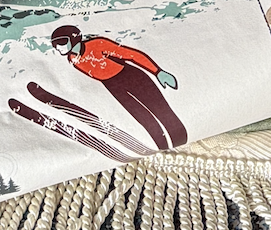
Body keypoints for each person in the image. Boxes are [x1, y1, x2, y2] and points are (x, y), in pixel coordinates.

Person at [49, 24, 187, 149]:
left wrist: (157, 71)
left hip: (131, 77)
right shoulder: (72, 59)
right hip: (113, 86)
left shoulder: (97, 44)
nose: (58, 47)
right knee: (143, 118)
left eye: (61, 42)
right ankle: (162, 147)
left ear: (73, 39)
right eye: (55, 45)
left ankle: (181, 138)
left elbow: (131, 55)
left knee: (162, 111)